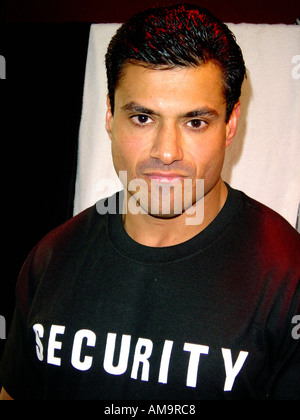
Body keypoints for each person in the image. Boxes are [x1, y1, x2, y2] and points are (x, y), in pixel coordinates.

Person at [0, 3, 299, 400]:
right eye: (143, 118)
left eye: (195, 122)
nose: (167, 151)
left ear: (230, 125)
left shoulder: (288, 279)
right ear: (109, 114)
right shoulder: (51, 258)